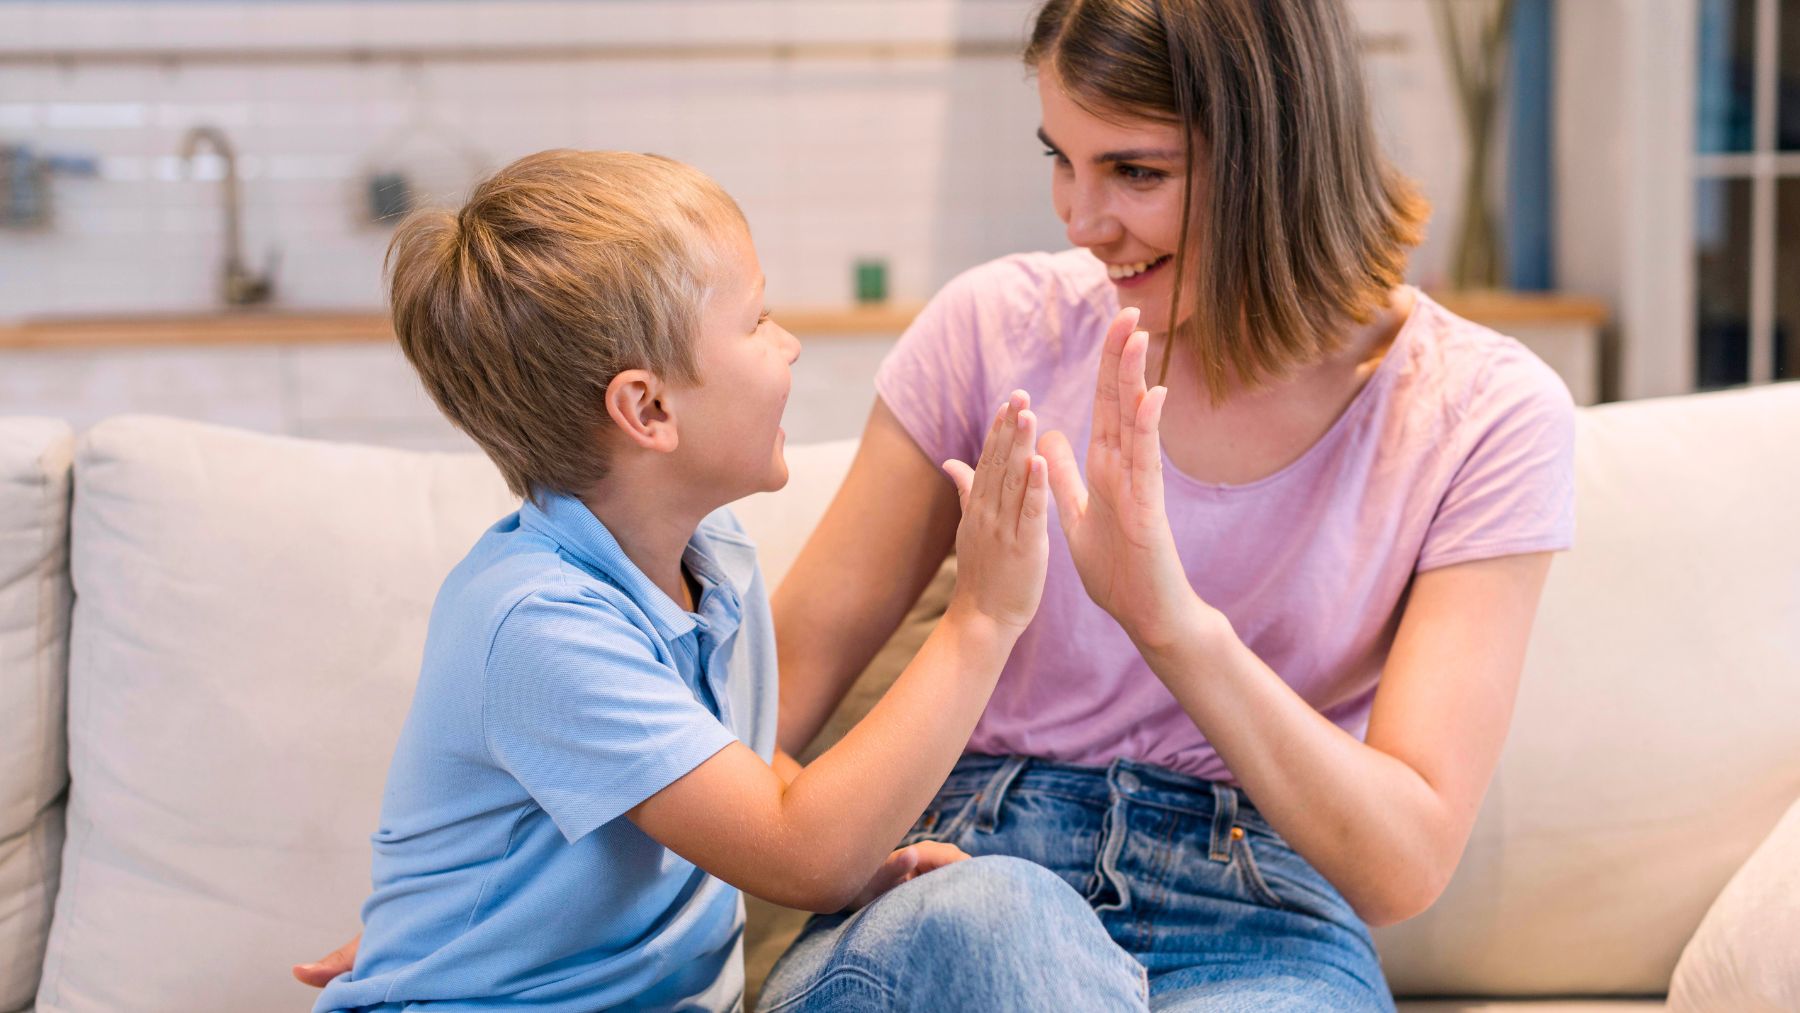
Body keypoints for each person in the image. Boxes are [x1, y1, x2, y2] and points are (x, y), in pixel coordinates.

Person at [303, 0, 1576, 1007]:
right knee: (1005, 923)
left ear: (1277, 151)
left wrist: (1166, 617)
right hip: (968, 873)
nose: (1084, 220)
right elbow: (755, 723)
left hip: (1261, 920)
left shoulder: (1481, 410)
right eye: (1061, 161)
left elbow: (1402, 860)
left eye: (1134, 169)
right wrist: (489, 906)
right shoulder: (993, 327)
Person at [306, 148, 1150, 1012]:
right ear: (649, 410)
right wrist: (982, 615)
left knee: (997, 913)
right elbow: (798, 854)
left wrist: (872, 863)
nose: (788, 343)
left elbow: (742, 770)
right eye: (757, 321)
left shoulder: (716, 559)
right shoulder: (537, 622)